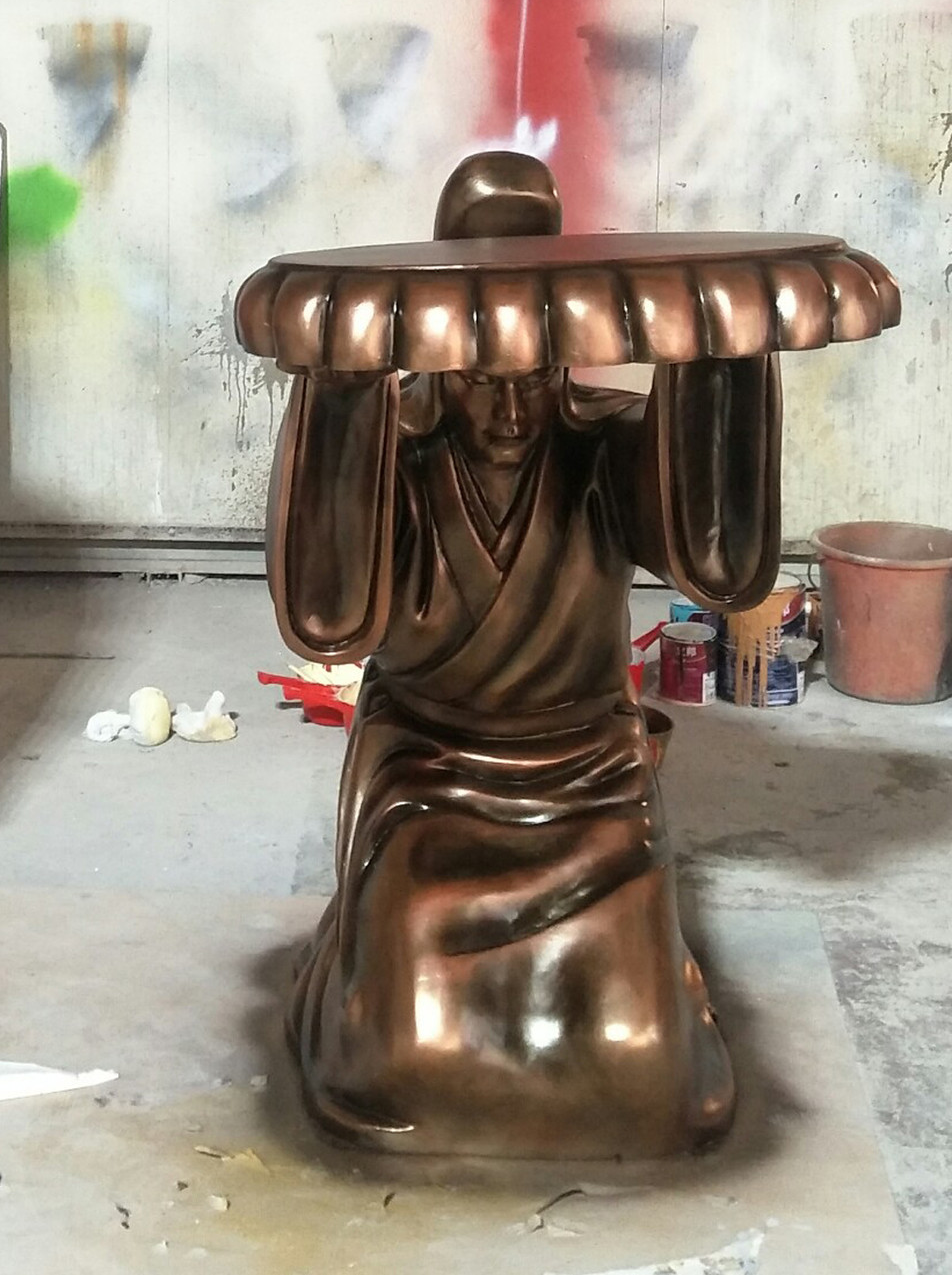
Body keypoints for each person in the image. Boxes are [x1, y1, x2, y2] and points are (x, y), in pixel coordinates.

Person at [265, 153, 778, 1158]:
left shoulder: (604, 442)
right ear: (441, 344)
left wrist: (715, 357)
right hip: (429, 774)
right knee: (399, 1057)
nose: (510, 413)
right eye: (480, 379)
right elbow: (328, 619)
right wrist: (341, 395)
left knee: (644, 1065)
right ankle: (358, 970)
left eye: (534, 376)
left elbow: (720, 563)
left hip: (589, 780)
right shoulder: (396, 449)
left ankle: (662, 983)